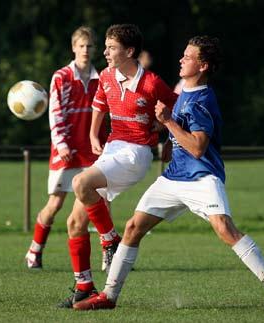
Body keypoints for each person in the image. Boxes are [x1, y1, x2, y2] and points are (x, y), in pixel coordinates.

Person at [72, 35, 264, 314]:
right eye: (182, 55)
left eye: (188, 57)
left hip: (202, 176)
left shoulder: (202, 100)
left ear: (203, 66)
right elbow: (179, 132)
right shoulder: (185, 93)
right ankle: (108, 295)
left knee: (225, 229)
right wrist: (169, 136)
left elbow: (197, 147)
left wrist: (168, 121)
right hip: (173, 178)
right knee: (133, 228)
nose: (181, 60)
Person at [59, 23, 177, 308]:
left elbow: (178, 108)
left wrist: (173, 139)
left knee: (80, 183)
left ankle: (110, 239)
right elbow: (99, 104)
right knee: (74, 222)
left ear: (130, 51)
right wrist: (91, 133)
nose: (105, 52)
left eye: (112, 48)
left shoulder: (151, 82)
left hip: (136, 154)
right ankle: (84, 286)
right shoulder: (107, 76)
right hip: (112, 151)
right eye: (107, 47)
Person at [25, 26, 108, 271]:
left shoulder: (101, 77)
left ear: (94, 49)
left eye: (89, 46)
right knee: (55, 204)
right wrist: (61, 144)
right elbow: (55, 112)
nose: (85, 50)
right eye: (81, 45)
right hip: (67, 151)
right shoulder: (61, 76)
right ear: (73, 48)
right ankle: (35, 250)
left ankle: (108, 255)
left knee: (102, 200)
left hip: (94, 150)